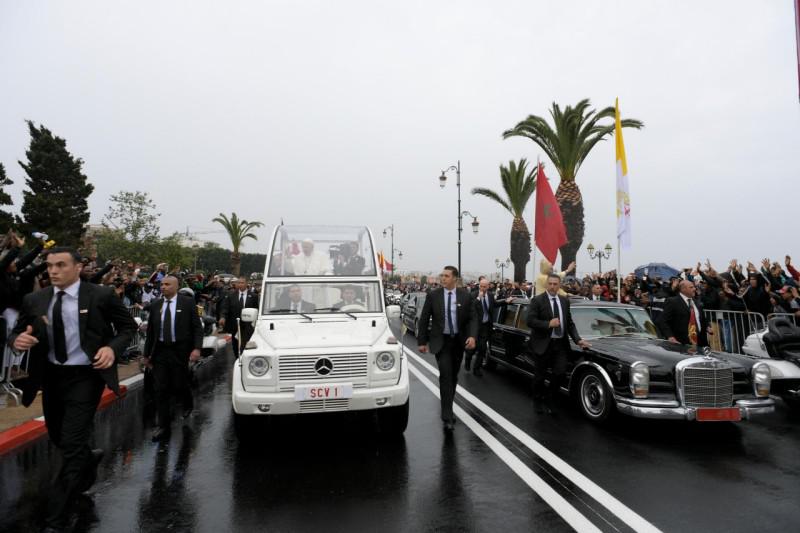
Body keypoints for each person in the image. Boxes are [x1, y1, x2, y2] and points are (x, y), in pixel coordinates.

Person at [9, 247, 137, 531]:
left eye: (61, 265)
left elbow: (129, 328)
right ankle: (88, 458)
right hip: (52, 377)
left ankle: (55, 517)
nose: (53, 270)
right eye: (50, 266)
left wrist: (111, 348)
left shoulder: (100, 296)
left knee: (70, 443)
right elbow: (17, 332)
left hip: (86, 377)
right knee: (61, 439)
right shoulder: (35, 299)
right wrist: (18, 340)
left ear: (78, 267)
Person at [142, 275, 203, 442]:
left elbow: (197, 328)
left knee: (179, 383)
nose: (163, 287)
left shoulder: (188, 303)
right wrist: (146, 355)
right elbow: (151, 334)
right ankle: (162, 425)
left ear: (176, 286)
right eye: (162, 284)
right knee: (160, 389)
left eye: (167, 284)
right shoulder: (156, 305)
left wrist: (197, 348)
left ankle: (187, 402)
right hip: (161, 352)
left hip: (180, 351)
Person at [417, 266, 478, 431]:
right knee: (445, 375)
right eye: (441, 275)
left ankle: (448, 406)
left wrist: (472, 336)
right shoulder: (433, 295)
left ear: (455, 279)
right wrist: (421, 341)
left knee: (453, 377)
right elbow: (424, 318)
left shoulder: (466, 296)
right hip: (441, 342)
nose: (443, 278)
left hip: (458, 342)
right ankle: (447, 415)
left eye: (446, 276)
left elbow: (472, 318)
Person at [526, 273, 591, 414]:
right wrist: (548, 324)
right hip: (542, 344)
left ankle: (550, 398)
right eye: (550, 283)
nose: (552, 286)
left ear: (559, 285)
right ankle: (537, 400)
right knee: (540, 377)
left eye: (555, 284)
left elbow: (570, 323)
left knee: (560, 373)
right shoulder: (537, 301)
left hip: (560, 345)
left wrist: (578, 340)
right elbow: (530, 321)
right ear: (546, 284)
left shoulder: (564, 301)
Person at [466, 277, 507, 377]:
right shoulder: (473, 295)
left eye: (485, 287)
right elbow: (471, 308)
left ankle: (477, 369)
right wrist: (479, 298)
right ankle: (468, 358)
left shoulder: (490, 295)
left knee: (482, 348)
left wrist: (506, 301)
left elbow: (495, 304)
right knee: (472, 348)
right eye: (481, 286)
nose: (483, 288)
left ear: (488, 286)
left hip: (485, 326)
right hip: (475, 327)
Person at [657, 280, 709, 347]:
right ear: (683, 289)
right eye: (691, 287)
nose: (694, 289)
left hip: (700, 342)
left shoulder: (696, 302)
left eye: (694, 287)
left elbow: (701, 318)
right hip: (681, 344)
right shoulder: (673, 301)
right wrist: (670, 336)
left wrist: (707, 325)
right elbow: (662, 320)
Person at [219, 278, 259, 356]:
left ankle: (244, 357)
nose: (240, 284)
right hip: (235, 324)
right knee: (235, 344)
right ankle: (237, 358)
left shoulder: (253, 296)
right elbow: (225, 308)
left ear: (246, 283)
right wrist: (223, 317)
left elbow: (257, 309)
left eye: (242, 282)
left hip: (248, 325)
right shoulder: (231, 295)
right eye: (239, 283)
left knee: (246, 343)